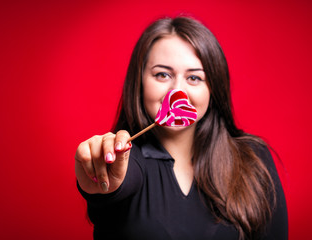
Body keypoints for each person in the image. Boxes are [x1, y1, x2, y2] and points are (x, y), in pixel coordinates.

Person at [75, 16, 288, 240]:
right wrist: (103, 175)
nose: (178, 91)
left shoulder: (253, 158)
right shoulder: (129, 161)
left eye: (194, 77)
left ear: (213, 88)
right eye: (162, 75)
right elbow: (119, 184)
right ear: (139, 82)